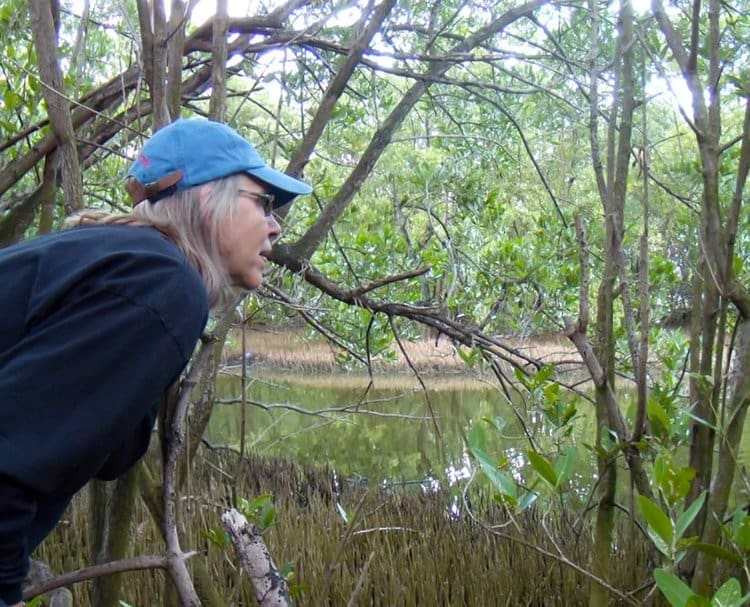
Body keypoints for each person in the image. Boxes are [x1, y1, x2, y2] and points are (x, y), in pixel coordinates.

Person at [0, 118, 312, 606]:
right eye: (263, 202)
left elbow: (105, 453)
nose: (276, 225)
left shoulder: (118, 258)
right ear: (208, 197)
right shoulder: (160, 283)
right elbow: (9, 460)